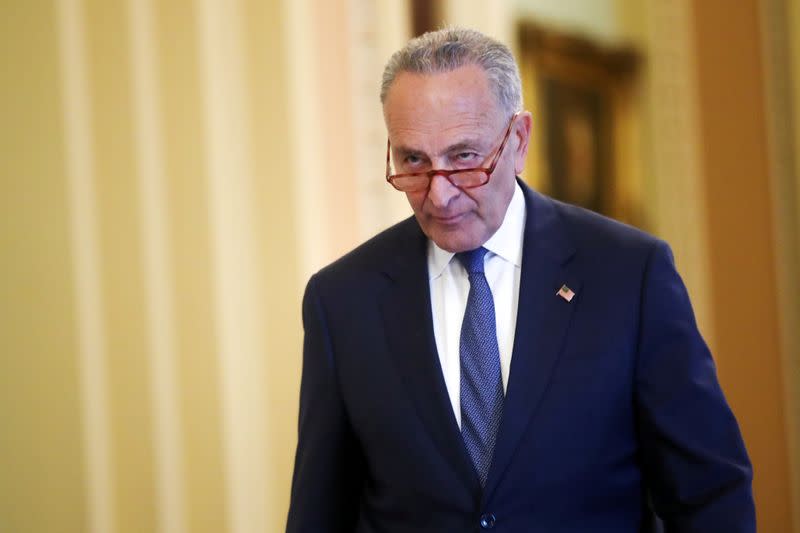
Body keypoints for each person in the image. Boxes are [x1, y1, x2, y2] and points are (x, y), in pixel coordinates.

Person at [286, 27, 755, 532]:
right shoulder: (343, 301)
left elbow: (708, 494)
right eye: (413, 161)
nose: (439, 196)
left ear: (519, 138)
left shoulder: (628, 275)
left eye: (465, 158)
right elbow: (320, 513)